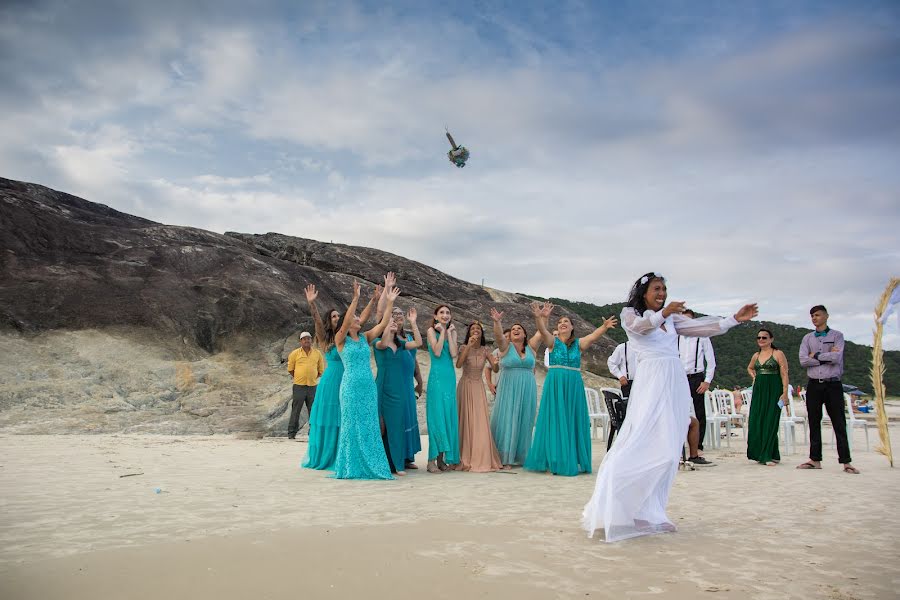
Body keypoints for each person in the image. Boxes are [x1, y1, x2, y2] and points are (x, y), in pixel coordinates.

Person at [582, 272, 757, 542]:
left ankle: (647, 512)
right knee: (643, 443)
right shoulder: (631, 313)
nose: (662, 292)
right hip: (651, 381)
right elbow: (641, 328)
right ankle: (616, 502)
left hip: (674, 381)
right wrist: (664, 313)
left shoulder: (670, 319)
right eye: (657, 288)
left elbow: (701, 329)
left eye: (664, 288)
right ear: (644, 293)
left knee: (668, 450)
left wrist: (734, 319)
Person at [525, 303, 617, 476]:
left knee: (571, 419)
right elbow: (542, 331)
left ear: (572, 327)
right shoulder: (552, 342)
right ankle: (553, 459)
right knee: (555, 419)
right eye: (559, 322)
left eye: (566, 321)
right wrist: (539, 317)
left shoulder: (578, 344)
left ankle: (571, 457)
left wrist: (604, 327)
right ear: (557, 328)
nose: (562, 323)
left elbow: (593, 337)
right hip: (556, 383)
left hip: (573, 384)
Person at [302, 283, 377, 470]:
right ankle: (328, 456)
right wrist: (312, 303)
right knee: (330, 418)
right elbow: (317, 321)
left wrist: (374, 300)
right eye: (333, 316)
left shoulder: (349, 338)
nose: (337, 318)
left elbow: (364, 318)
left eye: (339, 316)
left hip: (349, 379)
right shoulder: (326, 338)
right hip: (331, 381)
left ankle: (345, 455)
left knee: (347, 418)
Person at [332, 280, 399, 480]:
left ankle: (371, 465)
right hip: (350, 387)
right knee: (351, 424)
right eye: (355, 317)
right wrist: (355, 299)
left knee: (369, 425)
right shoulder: (340, 339)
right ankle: (351, 466)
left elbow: (383, 323)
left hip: (368, 387)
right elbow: (344, 323)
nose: (359, 319)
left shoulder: (365, 337)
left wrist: (389, 302)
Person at [797, 306, 859, 474]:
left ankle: (846, 462)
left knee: (839, 422)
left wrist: (815, 356)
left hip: (833, 384)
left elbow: (836, 357)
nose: (814, 318)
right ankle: (814, 459)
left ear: (826, 316)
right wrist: (825, 357)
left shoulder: (837, 336)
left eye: (817, 315)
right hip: (814, 384)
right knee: (814, 421)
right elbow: (803, 361)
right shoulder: (807, 338)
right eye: (812, 316)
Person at [489, 308, 542, 468]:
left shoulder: (532, 348)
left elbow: (541, 332)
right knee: (508, 418)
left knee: (525, 419)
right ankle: (505, 457)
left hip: (528, 388)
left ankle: (521, 456)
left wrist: (541, 317)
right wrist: (497, 322)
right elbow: (498, 335)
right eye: (513, 329)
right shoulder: (506, 347)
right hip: (509, 388)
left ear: (525, 334)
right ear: (510, 335)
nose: (516, 330)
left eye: (519, 329)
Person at [373, 306, 422, 476]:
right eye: (391, 318)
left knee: (397, 425)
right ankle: (384, 462)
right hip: (381, 387)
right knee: (382, 425)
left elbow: (418, 343)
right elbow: (384, 342)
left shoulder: (401, 344)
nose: (394, 321)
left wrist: (413, 323)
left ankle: (399, 464)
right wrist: (388, 326)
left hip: (399, 389)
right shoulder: (377, 343)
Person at [456, 321, 502, 472]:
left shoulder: (485, 350)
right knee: (465, 419)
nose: (476, 330)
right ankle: (465, 455)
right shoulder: (463, 347)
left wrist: (496, 363)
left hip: (478, 387)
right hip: (465, 385)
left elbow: (494, 369)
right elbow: (458, 364)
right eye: (473, 329)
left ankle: (481, 455)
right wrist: (468, 346)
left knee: (480, 420)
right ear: (469, 333)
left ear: (482, 333)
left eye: (478, 329)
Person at [746, 328, 789, 465]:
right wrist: (754, 377)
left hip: (774, 389)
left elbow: (784, 373)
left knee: (770, 421)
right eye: (758, 338)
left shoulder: (778, 354)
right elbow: (750, 368)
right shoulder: (755, 355)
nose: (761, 340)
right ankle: (769, 453)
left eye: (764, 337)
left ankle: (767, 456)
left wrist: (785, 392)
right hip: (759, 390)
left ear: (771, 339)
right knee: (757, 420)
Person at [425, 304, 459, 473]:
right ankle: (431, 460)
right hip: (437, 377)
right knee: (437, 416)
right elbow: (437, 352)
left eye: (448, 312)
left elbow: (453, 354)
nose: (445, 315)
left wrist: (450, 333)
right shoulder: (432, 331)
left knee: (447, 416)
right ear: (435, 316)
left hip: (449, 377)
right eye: (442, 313)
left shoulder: (452, 331)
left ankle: (441, 460)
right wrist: (443, 332)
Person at [677, 309, 717, 455]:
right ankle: (680, 444)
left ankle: (698, 446)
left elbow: (711, 361)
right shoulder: (675, 337)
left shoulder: (702, 337)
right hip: (679, 377)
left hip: (696, 377)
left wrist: (706, 381)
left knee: (699, 412)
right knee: (679, 410)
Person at [286, 331, 324, 440]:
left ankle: (313, 432)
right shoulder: (295, 353)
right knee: (296, 409)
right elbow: (291, 369)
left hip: (312, 386)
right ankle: (291, 433)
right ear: (300, 341)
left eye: (309, 338)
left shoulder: (317, 353)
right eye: (304, 339)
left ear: (311, 340)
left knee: (313, 410)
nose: (307, 340)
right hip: (299, 386)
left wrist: (312, 378)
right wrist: (299, 377)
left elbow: (320, 370)